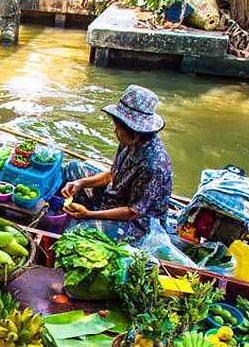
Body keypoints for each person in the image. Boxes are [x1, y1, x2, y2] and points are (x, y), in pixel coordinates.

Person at [61, 85, 173, 242]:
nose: (115, 132)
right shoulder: (128, 141)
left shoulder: (153, 165)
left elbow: (133, 212)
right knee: (73, 168)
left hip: (136, 223)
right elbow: (113, 174)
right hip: (115, 196)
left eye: (118, 128)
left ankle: (93, 216)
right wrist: (81, 183)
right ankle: (91, 207)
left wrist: (89, 215)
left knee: (74, 234)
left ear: (134, 132)